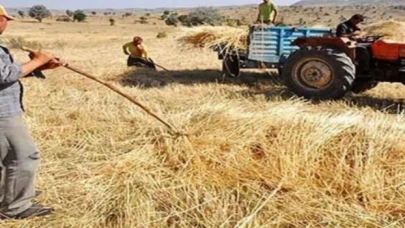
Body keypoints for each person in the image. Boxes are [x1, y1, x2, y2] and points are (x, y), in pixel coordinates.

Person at [0, 5, 66, 220]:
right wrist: (37, 60)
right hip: (2, 115)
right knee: (25, 156)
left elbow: (8, 75)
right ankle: (17, 207)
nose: (6, 23)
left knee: (5, 159)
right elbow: (4, 76)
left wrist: (41, 67)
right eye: (4, 19)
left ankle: (9, 196)